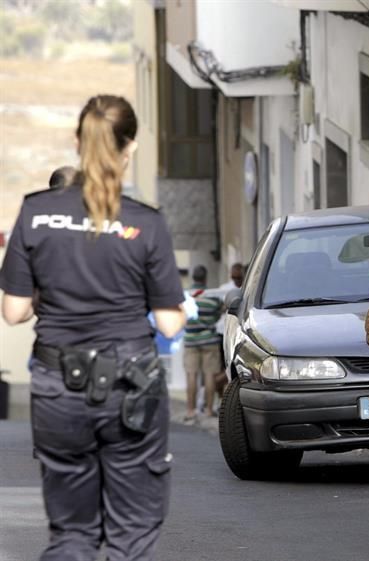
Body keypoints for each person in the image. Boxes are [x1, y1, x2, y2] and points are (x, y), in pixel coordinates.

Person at [0, 94, 185, 560]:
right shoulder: (146, 222)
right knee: (132, 531)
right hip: (129, 382)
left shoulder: (35, 211)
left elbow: (15, 311)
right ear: (130, 148)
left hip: (58, 386)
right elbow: (167, 321)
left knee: (72, 534)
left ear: (77, 141)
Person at [182, 264, 225, 422]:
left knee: (191, 374)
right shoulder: (212, 296)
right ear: (205, 278)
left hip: (190, 341)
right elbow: (220, 312)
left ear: (193, 277)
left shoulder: (186, 296)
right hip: (209, 340)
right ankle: (208, 410)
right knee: (209, 374)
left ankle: (190, 410)